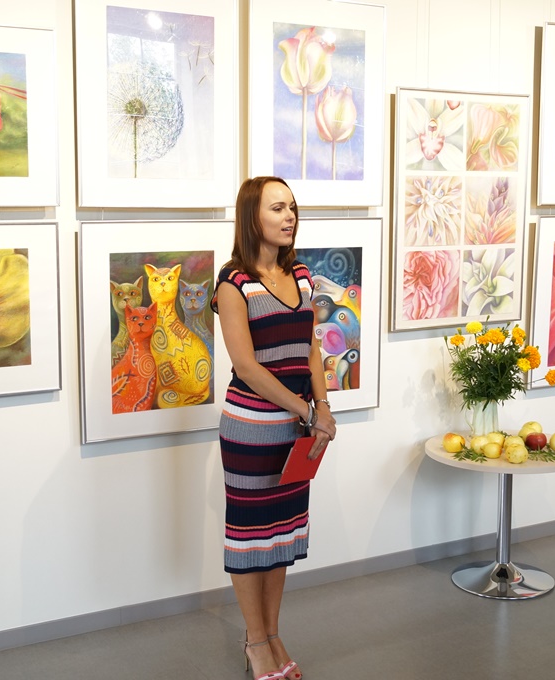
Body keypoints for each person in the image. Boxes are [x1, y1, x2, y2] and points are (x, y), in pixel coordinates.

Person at [211, 176, 336, 680]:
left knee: (281, 535)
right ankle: (255, 642)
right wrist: (306, 411)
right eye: (277, 208)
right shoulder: (233, 283)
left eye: (292, 208)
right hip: (250, 432)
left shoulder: (301, 275)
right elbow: (247, 367)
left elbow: (310, 347)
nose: (289, 217)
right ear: (252, 216)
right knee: (249, 540)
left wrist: (322, 404)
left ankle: (273, 632)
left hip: (295, 432)